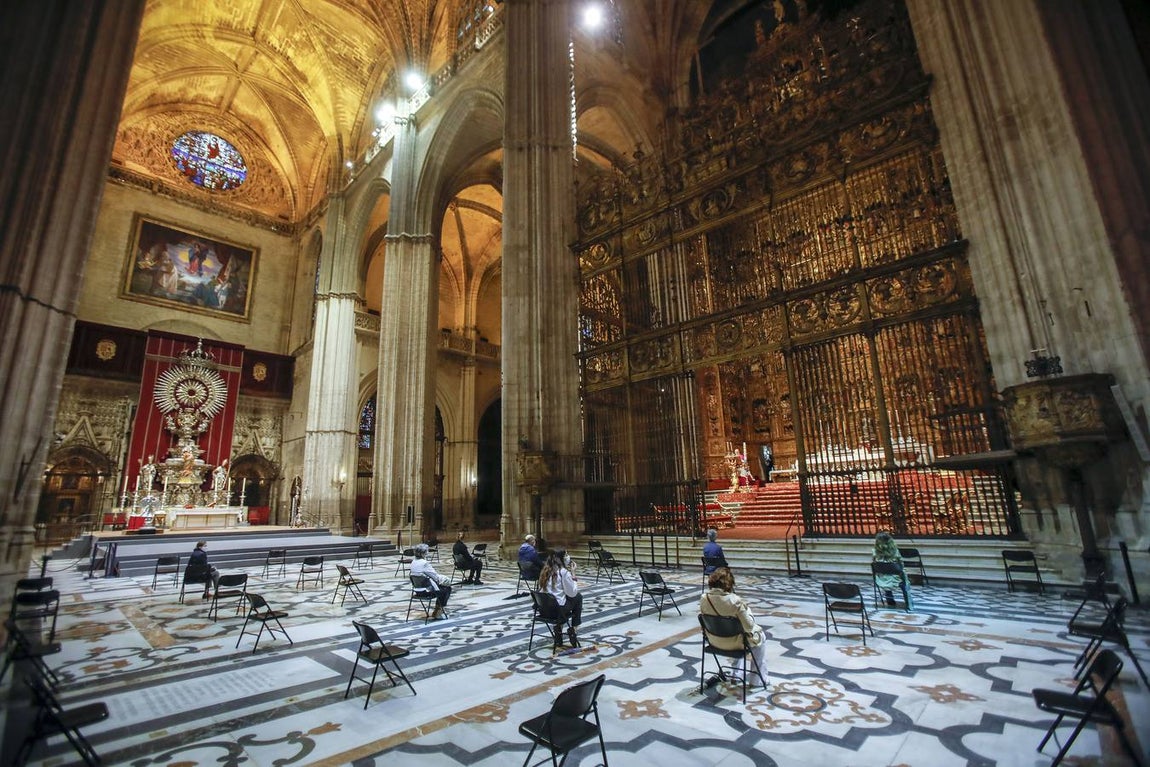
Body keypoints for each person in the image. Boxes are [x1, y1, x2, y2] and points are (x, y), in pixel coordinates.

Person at [699, 567, 768, 678]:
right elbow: (749, 627)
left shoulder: (704, 598)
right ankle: (757, 680)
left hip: (714, 641)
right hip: (736, 644)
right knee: (759, 637)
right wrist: (749, 612)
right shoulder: (735, 601)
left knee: (737, 633)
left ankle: (736, 673)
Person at [538, 548, 582, 647]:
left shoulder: (545, 570)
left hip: (544, 610)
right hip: (557, 611)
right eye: (566, 555)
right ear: (561, 558)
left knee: (562, 602)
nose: (568, 557)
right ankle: (573, 630)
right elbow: (572, 593)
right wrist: (573, 574)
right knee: (578, 597)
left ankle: (558, 630)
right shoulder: (563, 572)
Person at [872, 531, 913, 610]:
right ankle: (908, 602)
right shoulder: (895, 551)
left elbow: (874, 564)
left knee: (885, 573)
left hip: (881, 579)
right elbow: (901, 564)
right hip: (896, 579)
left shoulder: (874, 552)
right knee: (902, 576)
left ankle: (890, 600)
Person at [411, 543, 452, 620]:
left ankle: (437, 611)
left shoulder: (413, 562)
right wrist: (445, 579)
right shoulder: (424, 563)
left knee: (441, 587)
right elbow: (435, 577)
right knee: (446, 589)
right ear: (423, 553)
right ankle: (438, 612)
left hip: (417, 590)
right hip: (427, 591)